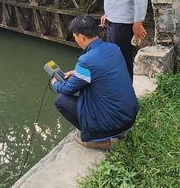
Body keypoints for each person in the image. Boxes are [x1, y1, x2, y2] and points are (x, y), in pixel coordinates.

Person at [52, 14, 139, 149]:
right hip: (129, 117)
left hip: (111, 121)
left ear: (81, 37)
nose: (76, 40)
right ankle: (122, 132)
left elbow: (69, 89)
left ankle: (97, 138)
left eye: (75, 37)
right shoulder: (114, 48)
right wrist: (75, 72)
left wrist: (55, 83)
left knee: (61, 100)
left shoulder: (86, 60)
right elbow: (103, 69)